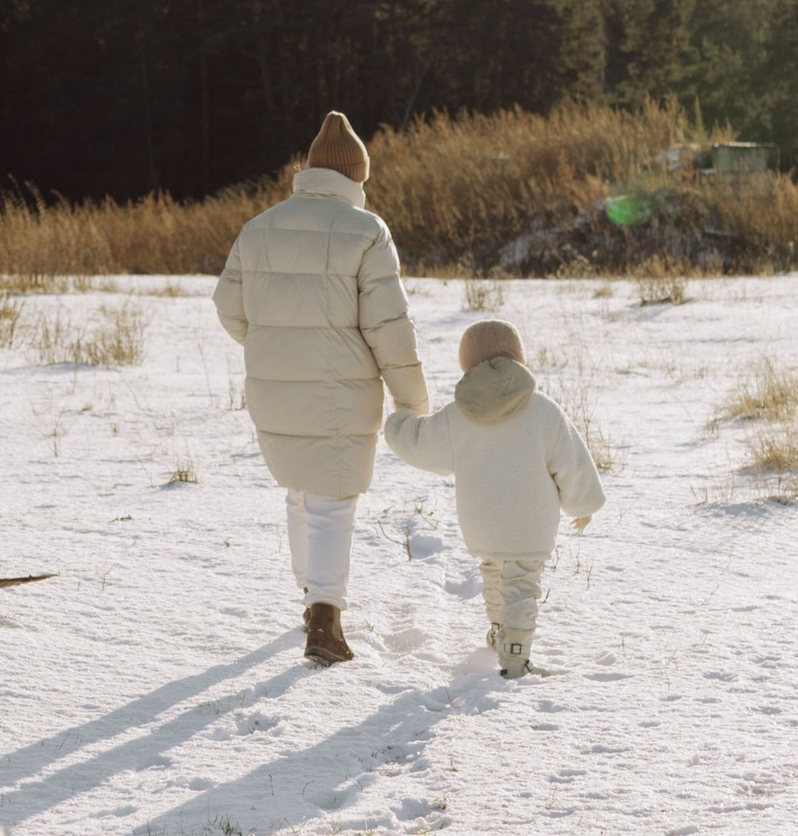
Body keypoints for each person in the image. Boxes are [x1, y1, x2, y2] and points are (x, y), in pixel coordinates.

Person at [213, 111, 429, 664]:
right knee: (332, 499)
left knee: (301, 492)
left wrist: (272, 349)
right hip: (342, 387)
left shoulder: (259, 226)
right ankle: (325, 621)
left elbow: (228, 306)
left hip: (274, 385)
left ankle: (311, 600)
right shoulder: (367, 230)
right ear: (357, 177)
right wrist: (412, 398)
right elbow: (388, 325)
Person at [380, 314, 604, 676]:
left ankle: (500, 631)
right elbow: (571, 461)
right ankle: (514, 657)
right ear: (518, 356)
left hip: (482, 522)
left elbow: (421, 443)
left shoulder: (458, 415)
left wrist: (398, 422)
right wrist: (583, 503)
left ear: (466, 363)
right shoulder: (544, 410)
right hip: (530, 523)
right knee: (520, 583)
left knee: (494, 571)